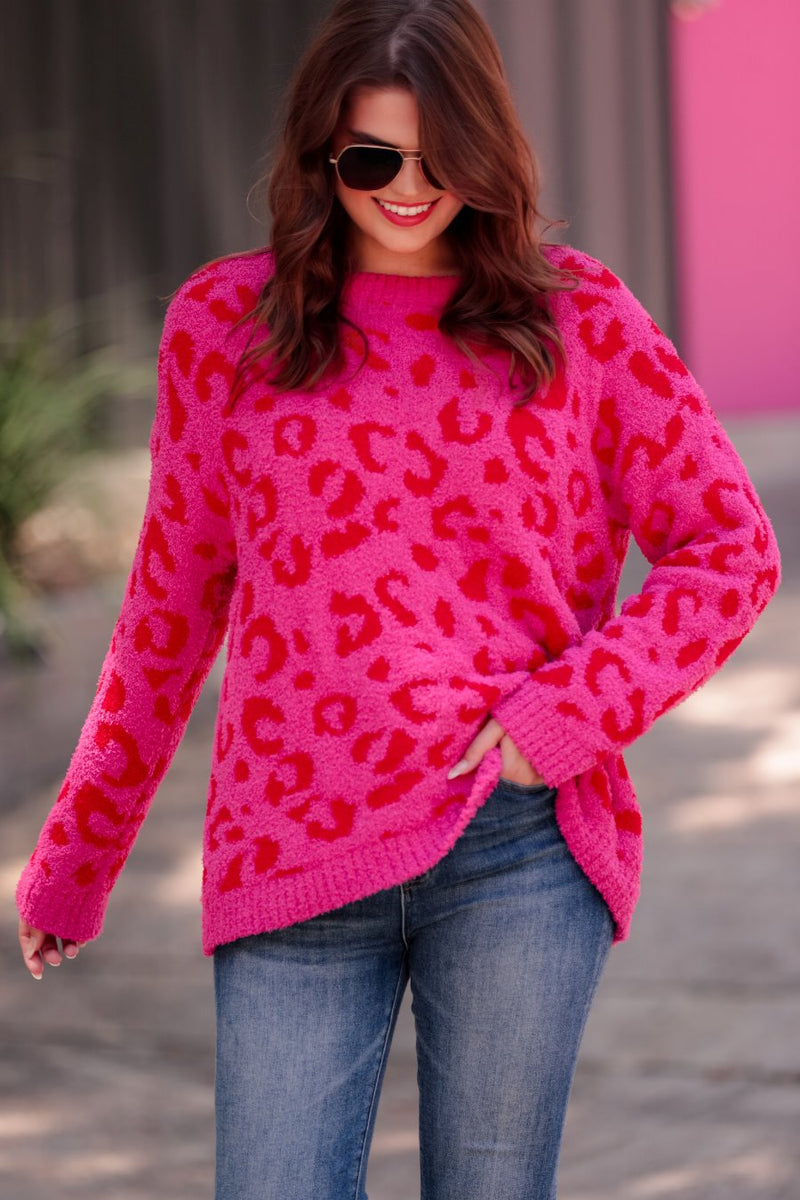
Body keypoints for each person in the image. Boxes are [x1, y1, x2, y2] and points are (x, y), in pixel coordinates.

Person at [16, 1, 781, 1196]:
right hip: (289, 844)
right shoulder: (224, 329)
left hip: (515, 850)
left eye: (441, 160)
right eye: (371, 159)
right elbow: (166, 614)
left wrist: (554, 724)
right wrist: (79, 852)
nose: (407, 190)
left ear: (489, 152)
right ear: (321, 156)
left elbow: (726, 552)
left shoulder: (577, 319)